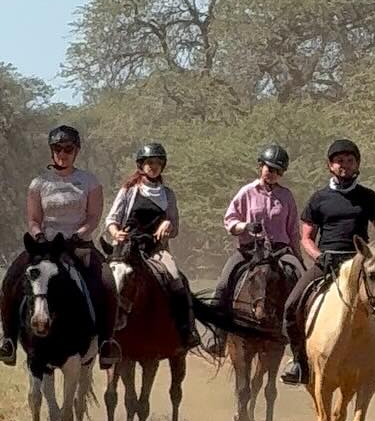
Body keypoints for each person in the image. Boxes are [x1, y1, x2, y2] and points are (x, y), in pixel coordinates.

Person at [0, 124, 119, 368]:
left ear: (76, 151)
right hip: (44, 246)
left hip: (78, 245)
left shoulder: (89, 181)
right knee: (11, 278)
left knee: (108, 281)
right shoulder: (39, 183)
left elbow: (94, 217)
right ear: (51, 151)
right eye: (57, 148)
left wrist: (79, 235)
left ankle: (107, 342)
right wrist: (39, 236)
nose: (62, 153)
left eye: (68, 149)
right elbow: (33, 219)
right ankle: (9, 339)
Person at [280, 139, 375, 386]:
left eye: (350, 161)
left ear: (357, 165)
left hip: (359, 265)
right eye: (339, 161)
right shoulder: (319, 199)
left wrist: (373, 254)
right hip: (326, 262)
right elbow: (306, 238)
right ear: (330, 166)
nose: (344, 165)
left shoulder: (368, 197)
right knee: (291, 306)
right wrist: (319, 256)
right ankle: (299, 362)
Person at [104, 142, 198, 347]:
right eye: (149, 163)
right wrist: (115, 232)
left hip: (156, 250)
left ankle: (186, 330)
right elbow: (111, 219)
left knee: (176, 279)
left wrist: (168, 224)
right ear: (141, 165)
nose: (153, 166)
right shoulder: (128, 190)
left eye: (157, 163)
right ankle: (101, 333)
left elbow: (175, 228)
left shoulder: (168, 194)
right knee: (105, 281)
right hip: (126, 249)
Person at [213, 145, 303, 308]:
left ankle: (299, 328)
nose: (273, 173)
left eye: (278, 171)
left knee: (301, 279)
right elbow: (230, 221)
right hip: (250, 251)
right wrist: (246, 226)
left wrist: (299, 258)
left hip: (280, 252)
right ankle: (218, 330)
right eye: (270, 168)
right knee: (223, 285)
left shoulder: (286, 195)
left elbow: (293, 231)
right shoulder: (246, 192)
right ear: (261, 166)